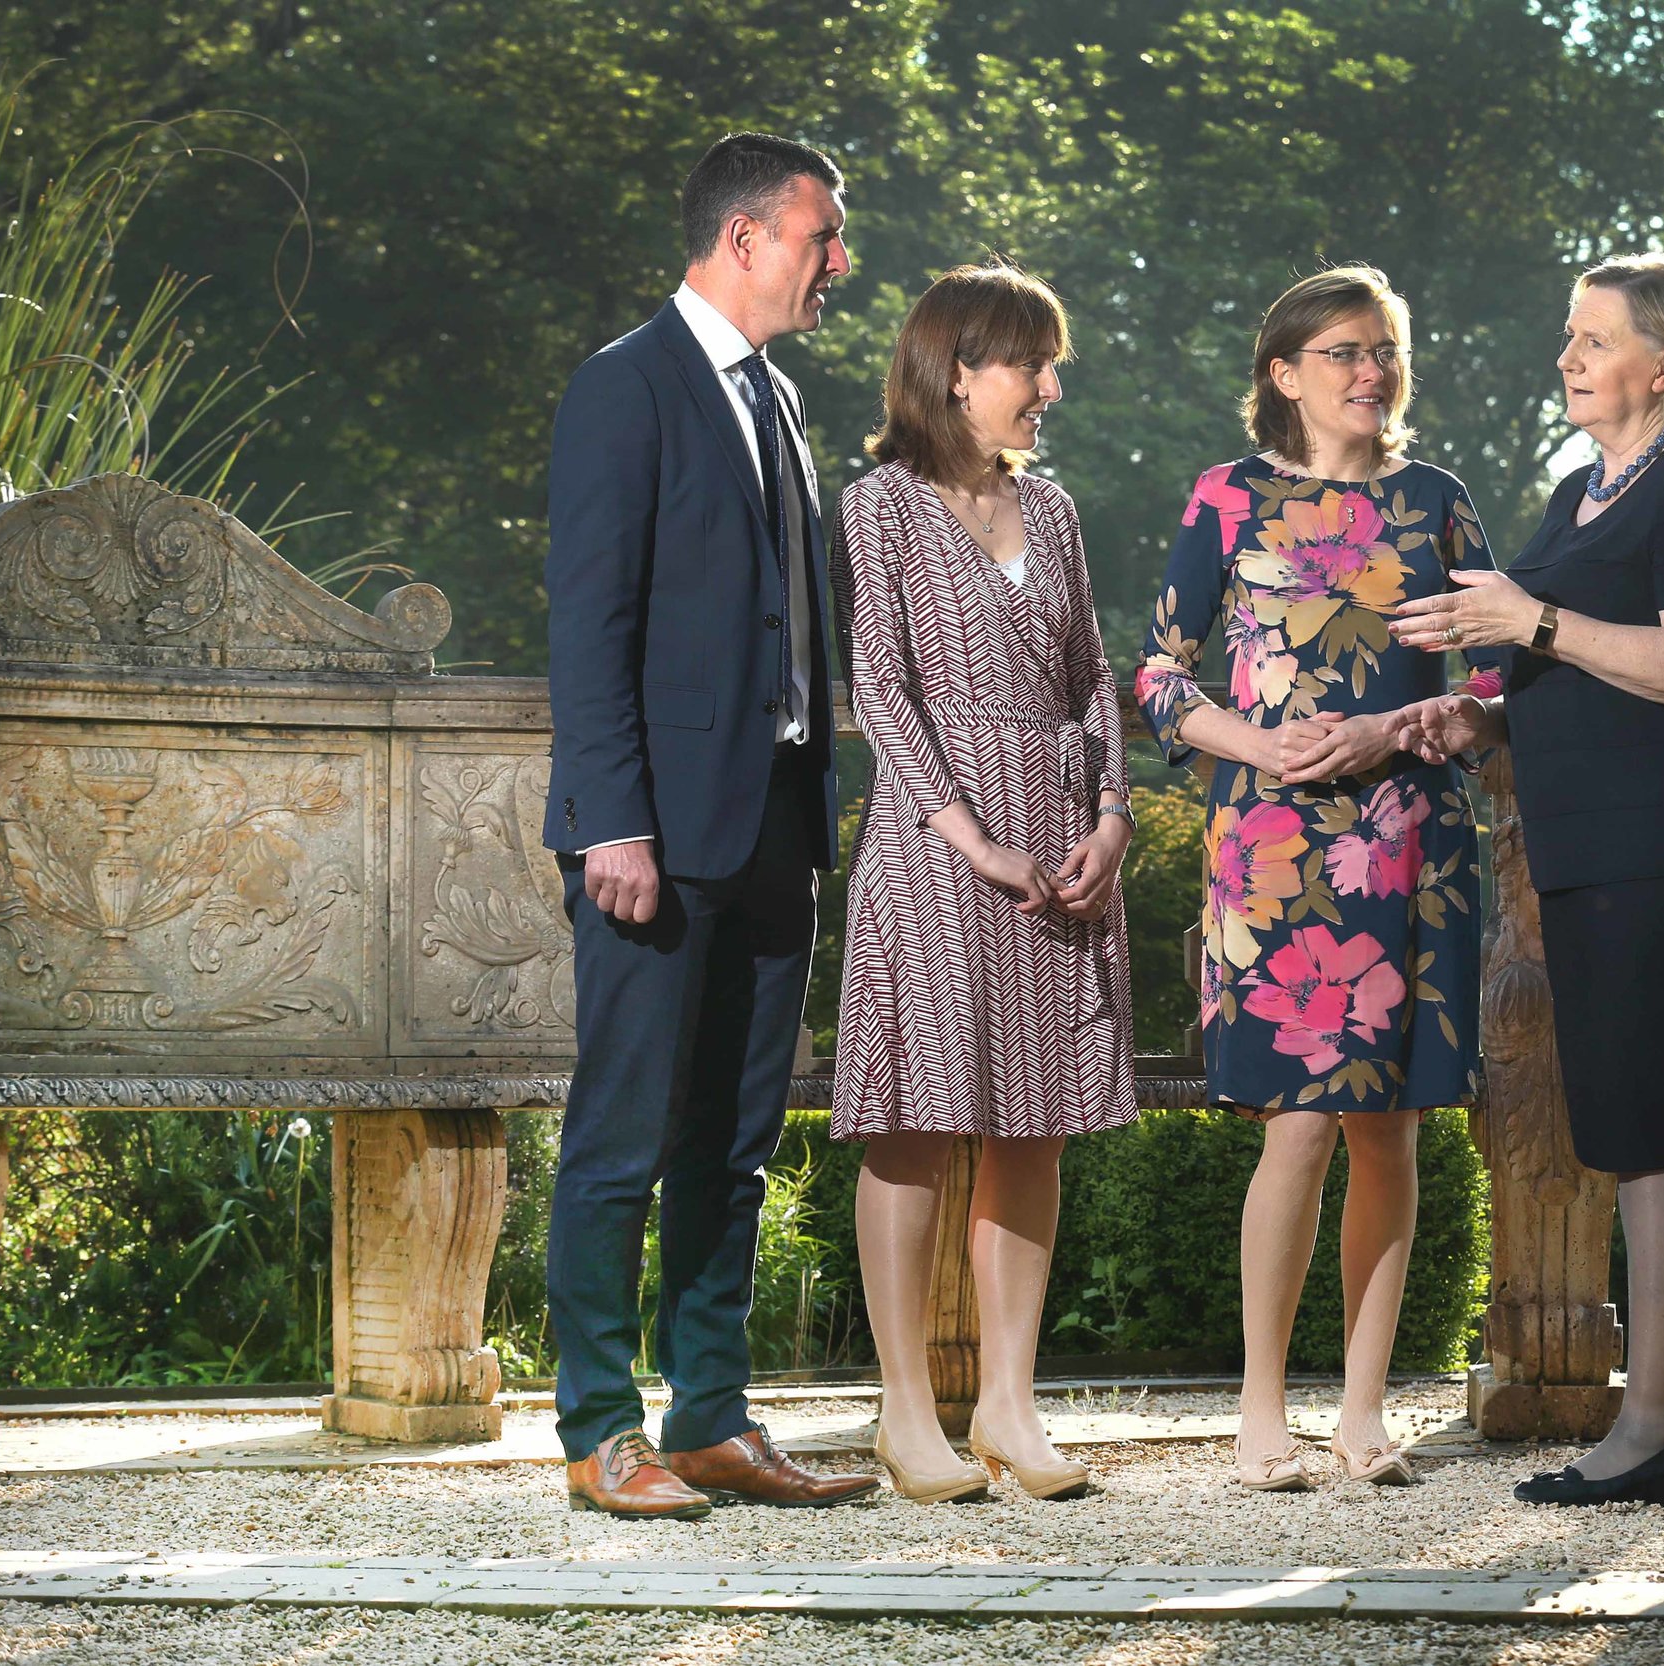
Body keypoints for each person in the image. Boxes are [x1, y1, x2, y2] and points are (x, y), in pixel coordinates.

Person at [540, 132, 879, 1519]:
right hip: (653, 844)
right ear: (744, 236)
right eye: (822, 235)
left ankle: (713, 1419)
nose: (837, 262)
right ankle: (598, 1429)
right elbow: (590, 621)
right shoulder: (624, 389)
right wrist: (611, 817)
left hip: (774, 838)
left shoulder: (781, 401)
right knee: (623, 1137)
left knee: (732, 1152)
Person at [1394, 253, 1664, 1509]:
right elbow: (1562, 665)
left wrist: (1530, 624)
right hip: (1593, 845)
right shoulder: (1580, 493)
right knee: (1646, 1132)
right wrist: (1483, 719)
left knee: (1657, 1138)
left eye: (1593, 339)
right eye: (1568, 335)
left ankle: (1651, 1426)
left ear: (1663, 366)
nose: (1566, 357)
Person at [1137, 266, 1495, 1492]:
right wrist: (1260, 743)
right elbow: (1158, 679)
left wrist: (1392, 733)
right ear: (1284, 372)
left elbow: (1497, 684)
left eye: (1384, 350)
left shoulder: (1437, 504)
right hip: (1270, 848)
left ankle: (1360, 1412)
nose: (1370, 372)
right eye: (1343, 351)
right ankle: (1257, 1412)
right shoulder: (1225, 500)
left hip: (1412, 843)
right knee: (1294, 1126)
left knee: (1388, 1129)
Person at [831, 263, 1135, 1505]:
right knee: (914, 1115)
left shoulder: (1053, 512)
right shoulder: (878, 507)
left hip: (1056, 841)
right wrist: (971, 837)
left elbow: (1096, 678)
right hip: (936, 840)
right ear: (958, 370)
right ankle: (908, 1412)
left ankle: (1009, 1401)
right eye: (1031, 365)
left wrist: (1110, 818)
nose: (1050, 389)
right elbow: (879, 691)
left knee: (1034, 1120)